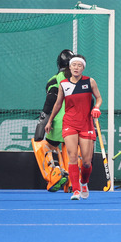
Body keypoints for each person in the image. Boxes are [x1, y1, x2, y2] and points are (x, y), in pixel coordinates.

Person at [45, 54, 102, 200]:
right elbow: (58, 104)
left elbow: (99, 98)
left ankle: (84, 183)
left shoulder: (90, 82)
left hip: (86, 123)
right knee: (72, 157)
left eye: (79, 65)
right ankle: (76, 190)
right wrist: (49, 120)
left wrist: (96, 107)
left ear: (83, 68)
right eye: (74, 65)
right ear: (69, 67)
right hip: (69, 123)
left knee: (87, 162)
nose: (76, 68)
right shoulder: (63, 84)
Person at [32, 49, 74, 192]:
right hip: (76, 124)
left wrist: (42, 120)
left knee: (41, 144)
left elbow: (51, 99)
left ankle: (54, 174)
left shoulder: (55, 79)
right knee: (70, 149)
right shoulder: (81, 80)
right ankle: (72, 182)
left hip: (58, 124)